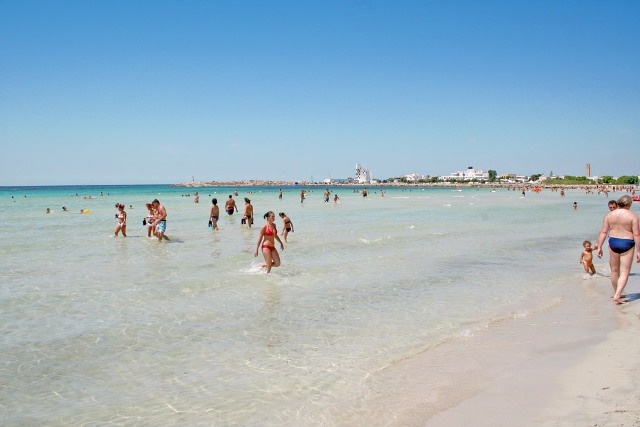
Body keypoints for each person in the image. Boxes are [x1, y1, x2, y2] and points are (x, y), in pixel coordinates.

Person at [596, 195, 640, 304]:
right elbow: (637, 234)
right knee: (625, 271)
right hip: (627, 242)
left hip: (613, 242)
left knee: (614, 271)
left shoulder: (609, 215)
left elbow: (604, 232)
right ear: (629, 204)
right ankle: (617, 295)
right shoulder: (633, 216)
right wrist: (639, 251)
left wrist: (599, 246)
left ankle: (617, 292)